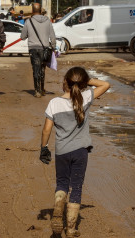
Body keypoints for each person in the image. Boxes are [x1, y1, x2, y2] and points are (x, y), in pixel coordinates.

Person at [40, 67, 110, 237]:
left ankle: (58, 208)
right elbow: (106, 84)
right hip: (80, 152)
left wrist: (44, 148)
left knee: (62, 183)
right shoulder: (86, 97)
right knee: (76, 187)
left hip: (62, 151)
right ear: (83, 83)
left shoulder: (54, 103)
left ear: (65, 82)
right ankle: (71, 228)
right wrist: (86, 81)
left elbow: (46, 130)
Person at [20, 3, 56, 98]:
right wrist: (54, 47)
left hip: (33, 49)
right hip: (45, 48)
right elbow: (52, 35)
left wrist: (29, 34)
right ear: (40, 11)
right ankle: (42, 89)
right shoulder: (48, 21)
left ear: (32, 11)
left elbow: (22, 37)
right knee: (42, 69)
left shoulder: (28, 21)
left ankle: (37, 91)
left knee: (36, 69)